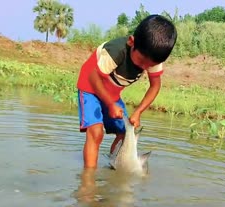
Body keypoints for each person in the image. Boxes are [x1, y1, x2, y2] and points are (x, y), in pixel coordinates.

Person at [76, 14, 177, 169]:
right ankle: (88, 183)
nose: (144, 67)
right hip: (90, 86)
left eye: (149, 65)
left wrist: (138, 112)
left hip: (112, 93)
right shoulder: (115, 52)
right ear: (132, 42)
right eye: (142, 61)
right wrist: (110, 104)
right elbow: (94, 78)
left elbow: (154, 86)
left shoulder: (153, 58)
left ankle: (114, 168)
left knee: (126, 133)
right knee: (96, 133)